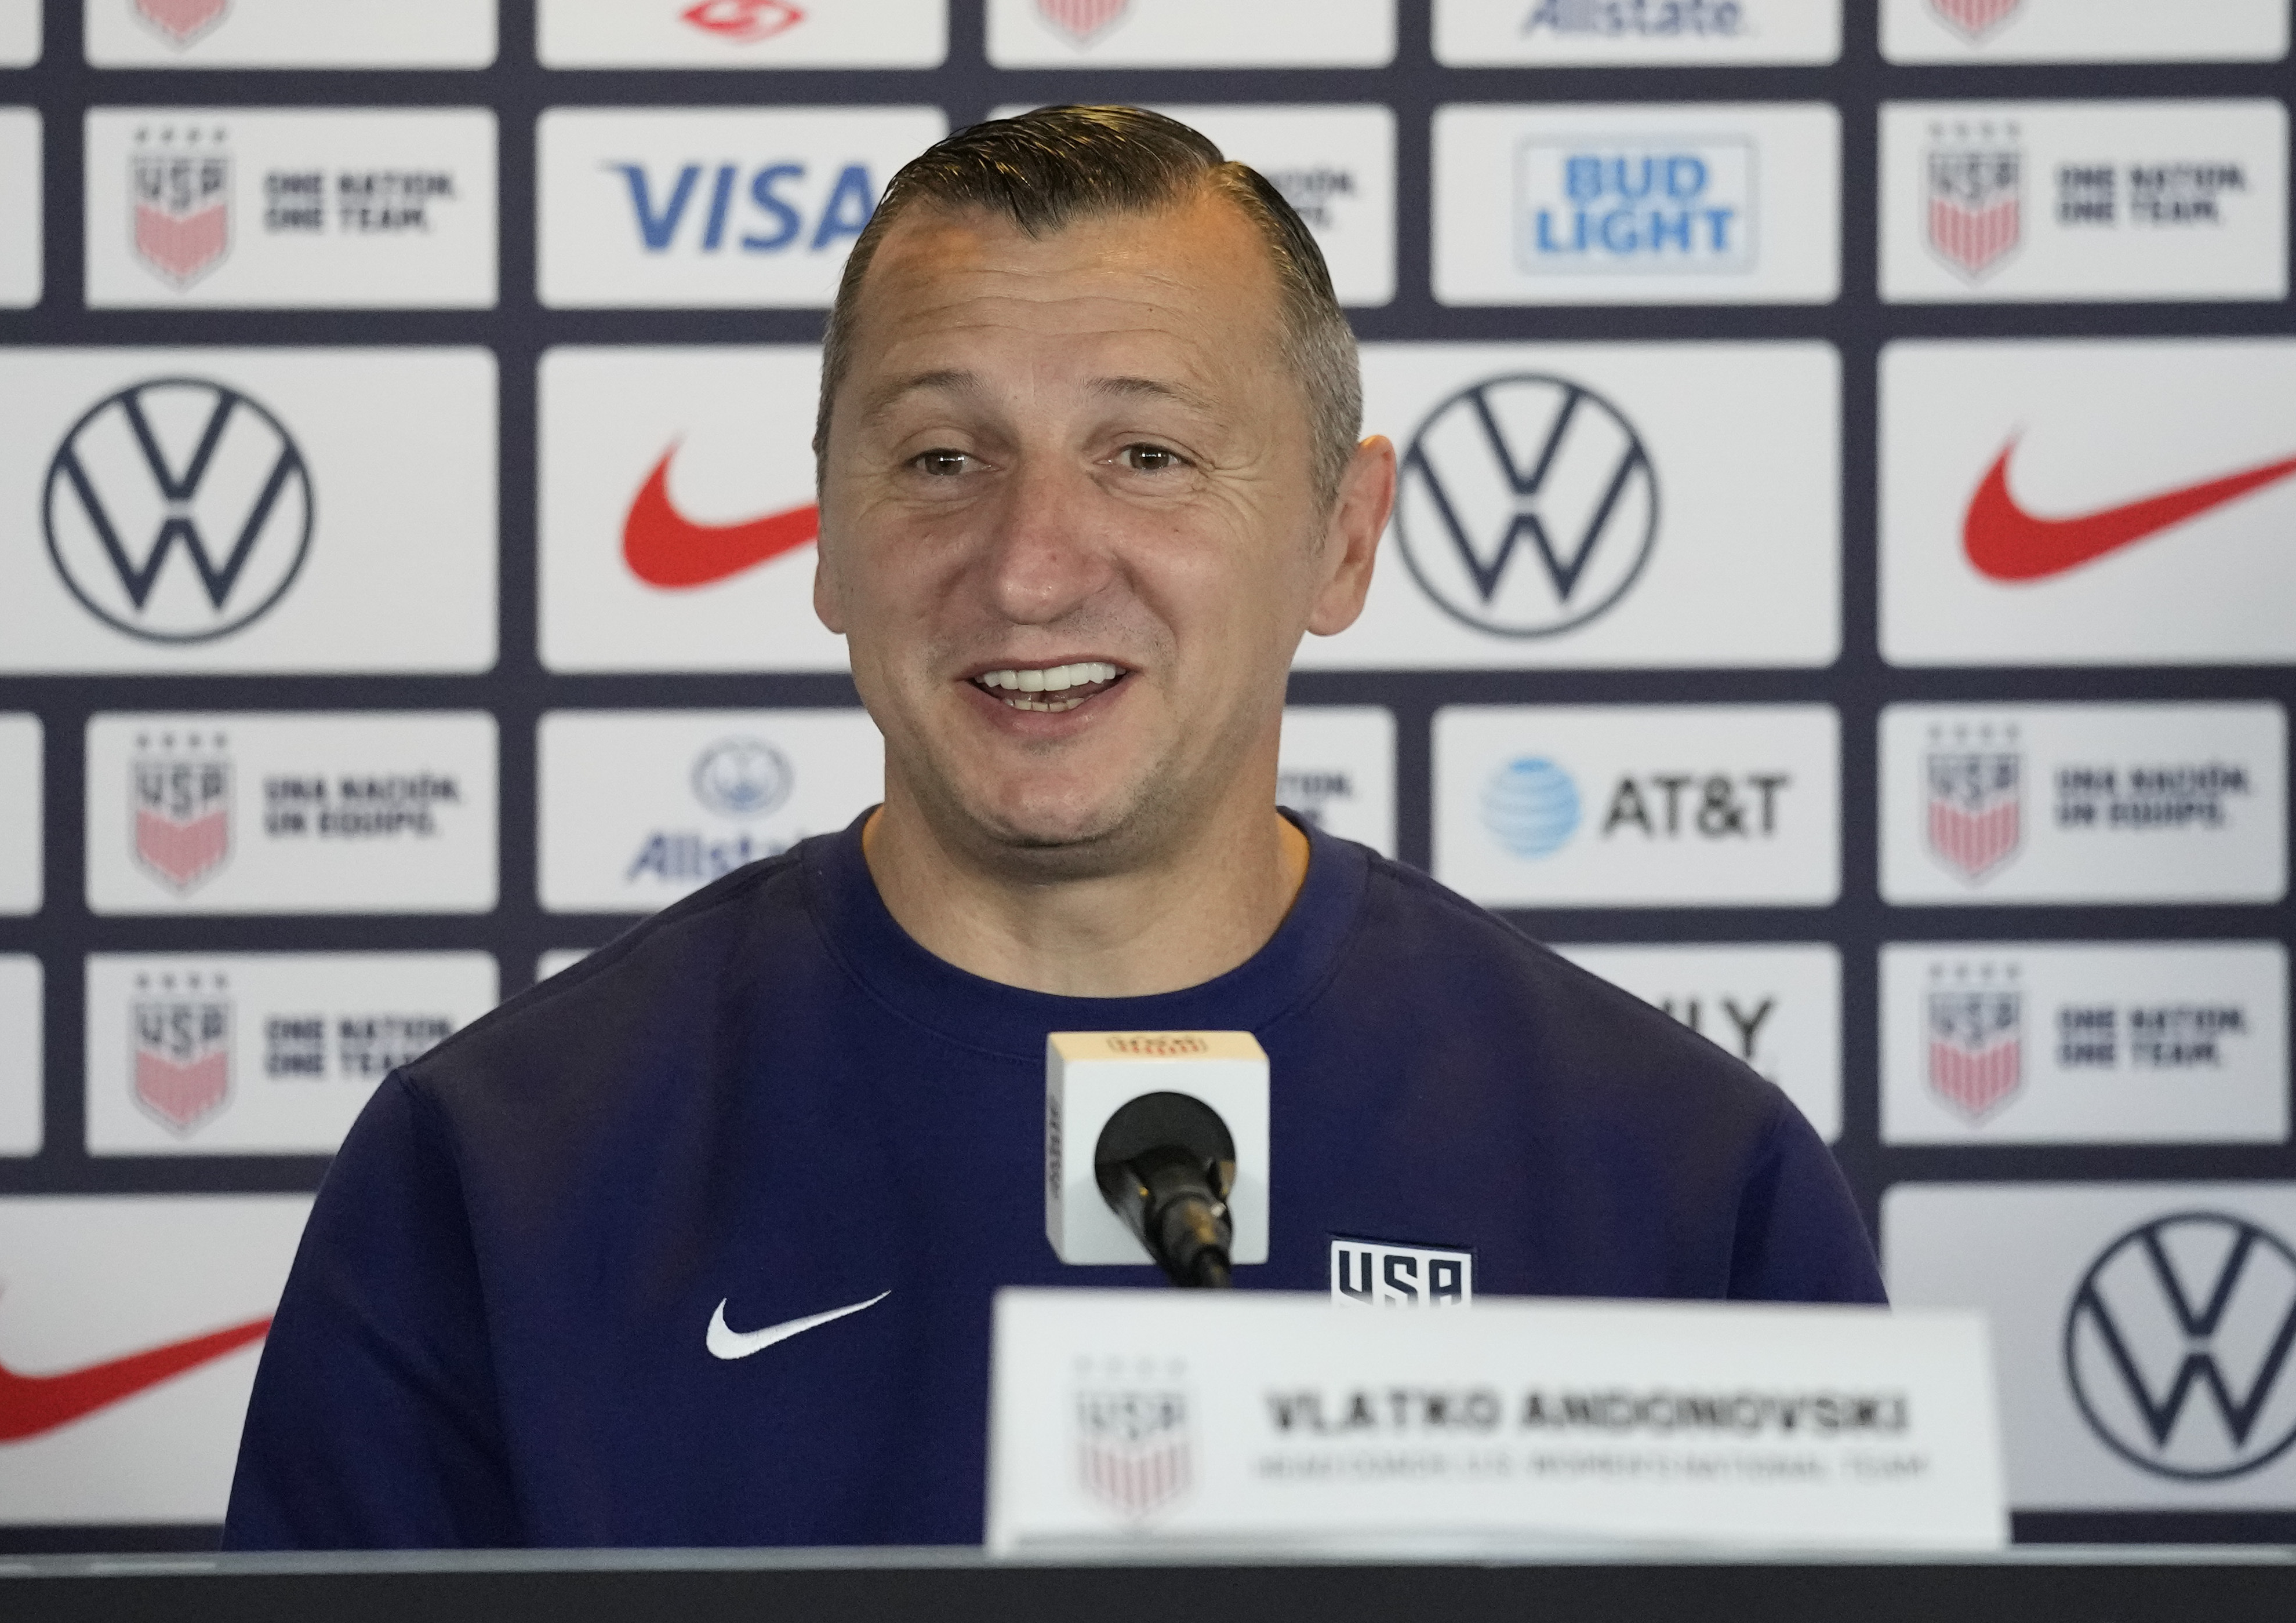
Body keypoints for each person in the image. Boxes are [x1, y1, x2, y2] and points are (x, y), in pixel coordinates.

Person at [224, 105, 1883, 1551]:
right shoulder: (496, 1170)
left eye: (1146, 454)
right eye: (942, 459)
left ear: (1344, 536)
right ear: (823, 541)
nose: (1027, 566)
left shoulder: (1685, 1182)